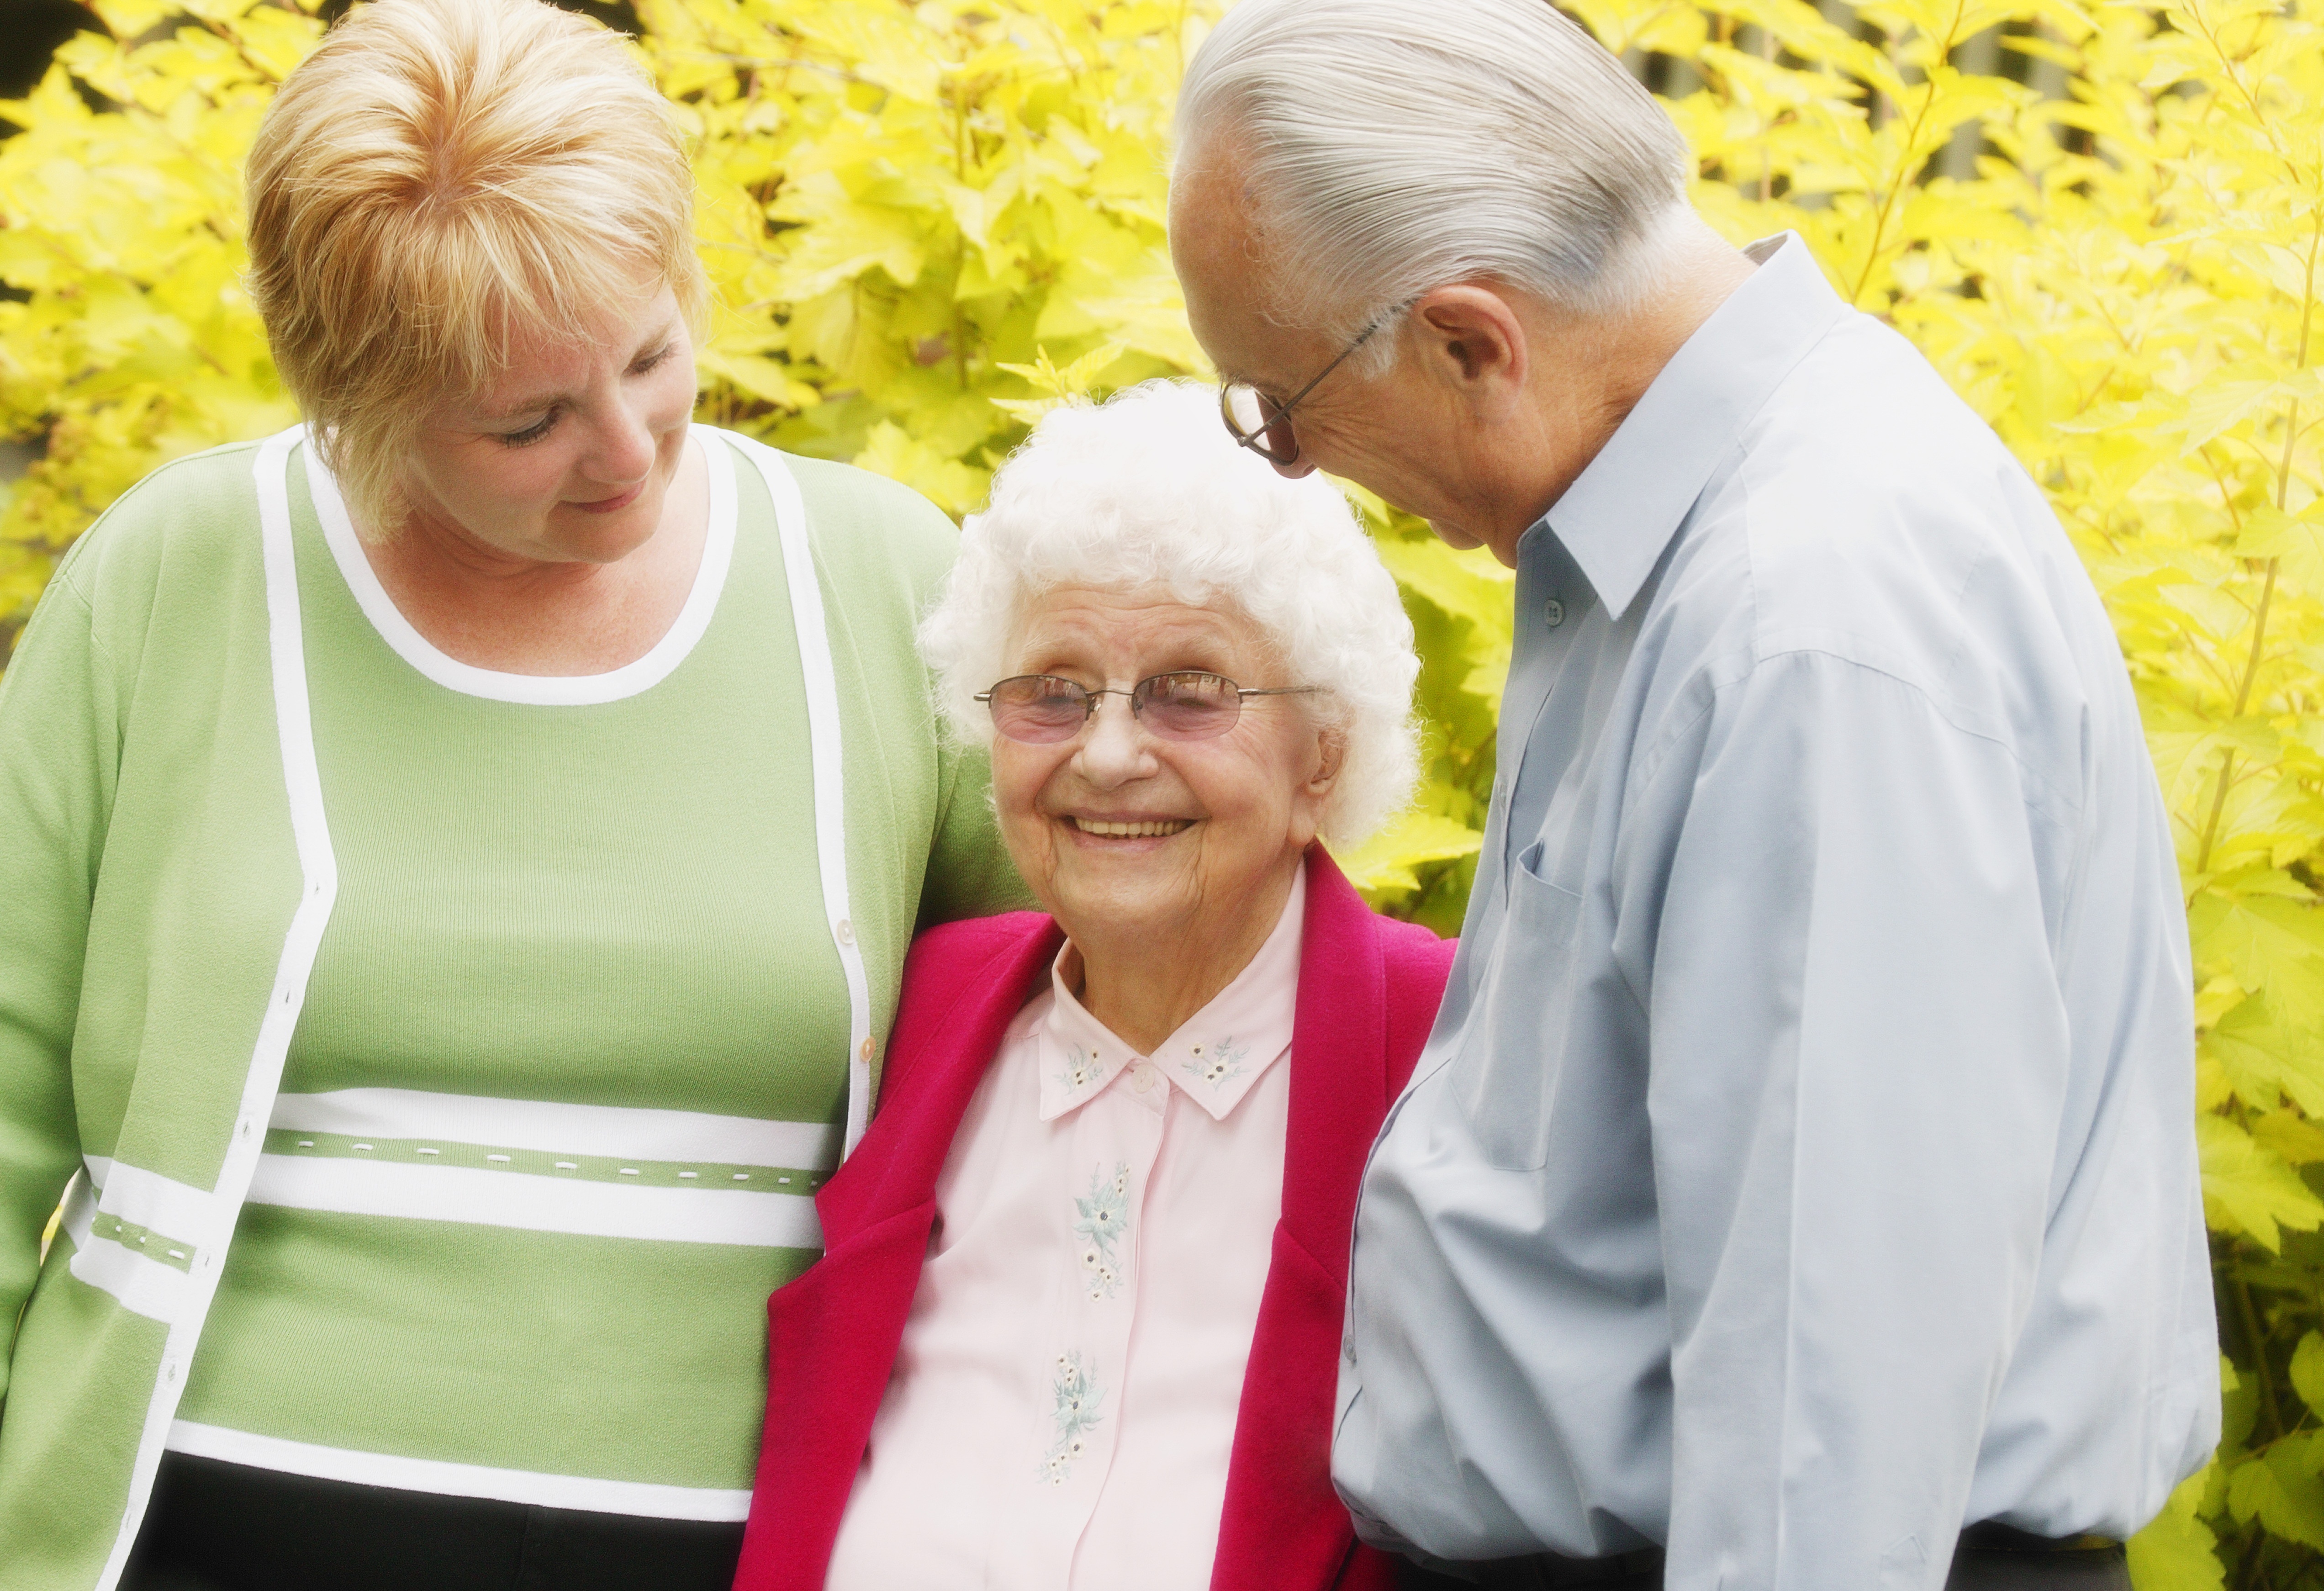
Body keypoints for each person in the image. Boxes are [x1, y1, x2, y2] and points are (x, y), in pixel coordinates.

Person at [1165, 3, 2219, 1589]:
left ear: (1470, 342)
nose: (1296, 459)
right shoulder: (1672, 531)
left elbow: (1832, 1405)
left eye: (1283, 400)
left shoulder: (1807, 616)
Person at [0, 3, 1024, 1588]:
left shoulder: (883, 581)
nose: (625, 450)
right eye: (528, 421)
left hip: (743, 1539)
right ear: (362, 405)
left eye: (651, 356)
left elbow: (1059, 1059)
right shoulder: (181, 574)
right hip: (202, 1512)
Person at [731, 379, 1457, 1591]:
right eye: (1052, 690)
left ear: (1322, 752)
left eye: (1190, 690)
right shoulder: (920, 1018)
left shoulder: (1447, 1050)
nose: (1109, 754)